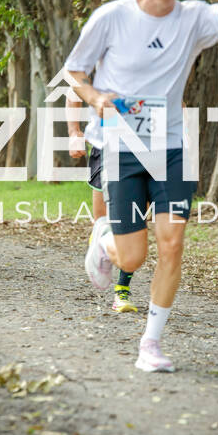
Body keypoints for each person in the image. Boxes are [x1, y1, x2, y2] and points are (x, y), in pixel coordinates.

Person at [64, 0, 218, 372]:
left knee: (171, 244)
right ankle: (104, 240)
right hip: (121, 146)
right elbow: (74, 72)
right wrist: (94, 97)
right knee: (133, 256)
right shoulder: (112, 17)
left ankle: (150, 344)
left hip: (171, 146)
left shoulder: (193, 17)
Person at [66, 91, 137, 312]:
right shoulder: (102, 69)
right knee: (103, 221)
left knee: (135, 225)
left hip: (149, 145)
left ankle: (122, 290)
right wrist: (74, 132)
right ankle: (103, 244)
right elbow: (73, 92)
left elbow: (176, 100)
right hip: (107, 143)